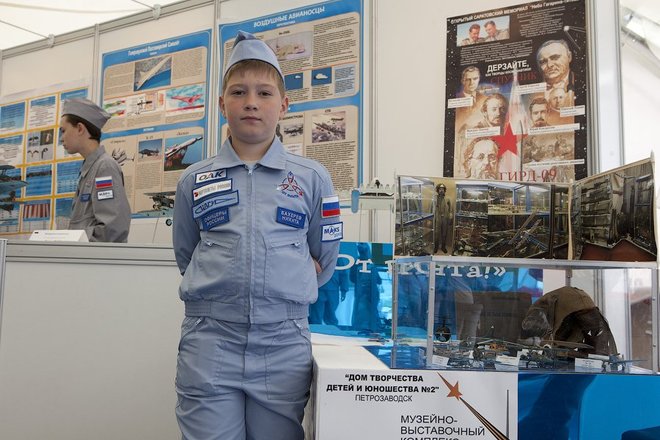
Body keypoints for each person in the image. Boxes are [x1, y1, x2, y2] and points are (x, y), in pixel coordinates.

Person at [172, 30, 340, 440]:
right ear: (222, 104)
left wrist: (284, 284)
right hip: (211, 340)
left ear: (284, 105)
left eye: (264, 93)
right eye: (239, 92)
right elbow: (187, 253)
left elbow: (324, 257)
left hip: (283, 343)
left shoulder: (313, 178)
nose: (251, 102)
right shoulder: (194, 179)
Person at [60, 98, 131, 242]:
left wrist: (74, 246)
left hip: (95, 256)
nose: (61, 138)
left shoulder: (104, 168)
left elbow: (112, 230)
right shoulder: (90, 170)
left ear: (80, 128)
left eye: (64, 131)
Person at [350, 242, 382, 334]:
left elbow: (352, 279)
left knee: (363, 311)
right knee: (369, 311)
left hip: (365, 293)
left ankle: (367, 328)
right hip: (367, 293)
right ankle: (369, 328)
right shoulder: (371, 264)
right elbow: (379, 281)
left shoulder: (356, 264)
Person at [309, 261, 349, 326]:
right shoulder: (318, 256)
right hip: (319, 289)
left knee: (330, 313)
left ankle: (331, 328)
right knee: (316, 314)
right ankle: (316, 328)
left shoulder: (338, 259)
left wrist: (344, 290)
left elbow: (343, 274)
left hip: (331, 289)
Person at [433, 183, 452, 254]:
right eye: (440, 189)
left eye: (443, 189)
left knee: (444, 233)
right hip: (437, 218)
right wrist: (430, 218)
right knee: (436, 233)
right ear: (438, 190)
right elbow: (432, 208)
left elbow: (450, 210)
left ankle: (443, 247)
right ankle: (436, 247)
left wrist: (450, 218)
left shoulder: (448, 198)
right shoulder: (434, 198)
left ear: (444, 190)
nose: (441, 190)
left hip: (445, 218)